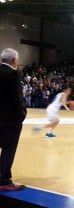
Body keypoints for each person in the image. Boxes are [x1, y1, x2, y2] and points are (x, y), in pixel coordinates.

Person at [0, 48, 26, 191]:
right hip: (10, 119)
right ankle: (4, 180)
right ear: (14, 60)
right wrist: (22, 114)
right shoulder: (13, 74)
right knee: (8, 149)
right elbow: (17, 99)